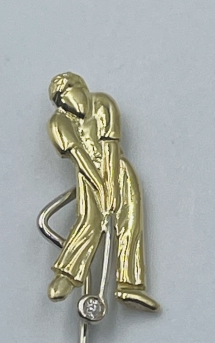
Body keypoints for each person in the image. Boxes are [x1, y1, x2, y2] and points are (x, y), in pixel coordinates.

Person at [46, 72, 159, 312]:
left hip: (116, 167)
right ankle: (68, 274)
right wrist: (100, 188)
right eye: (60, 100)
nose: (67, 102)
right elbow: (80, 157)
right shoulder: (59, 123)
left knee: (130, 220)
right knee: (90, 219)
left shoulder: (103, 104)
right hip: (88, 173)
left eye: (68, 93)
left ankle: (128, 285)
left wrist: (112, 188)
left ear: (80, 87)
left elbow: (110, 148)